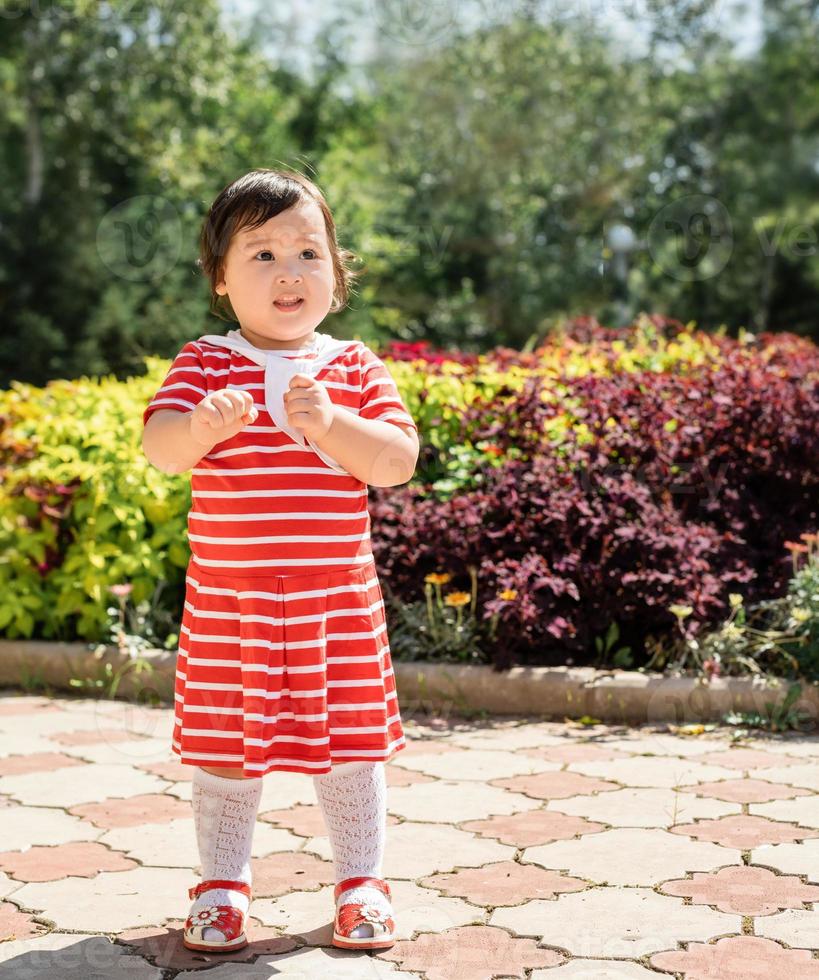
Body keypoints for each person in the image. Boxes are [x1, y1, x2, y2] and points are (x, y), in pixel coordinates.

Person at [141, 168, 420, 953]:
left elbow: (396, 460)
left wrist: (332, 425)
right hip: (234, 603)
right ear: (221, 281)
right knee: (229, 747)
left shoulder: (353, 368)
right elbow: (160, 449)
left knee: (351, 745)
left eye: (307, 251)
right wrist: (198, 429)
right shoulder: (205, 363)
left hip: (334, 602)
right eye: (260, 254)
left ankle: (360, 878)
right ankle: (222, 883)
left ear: (337, 270)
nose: (288, 270)